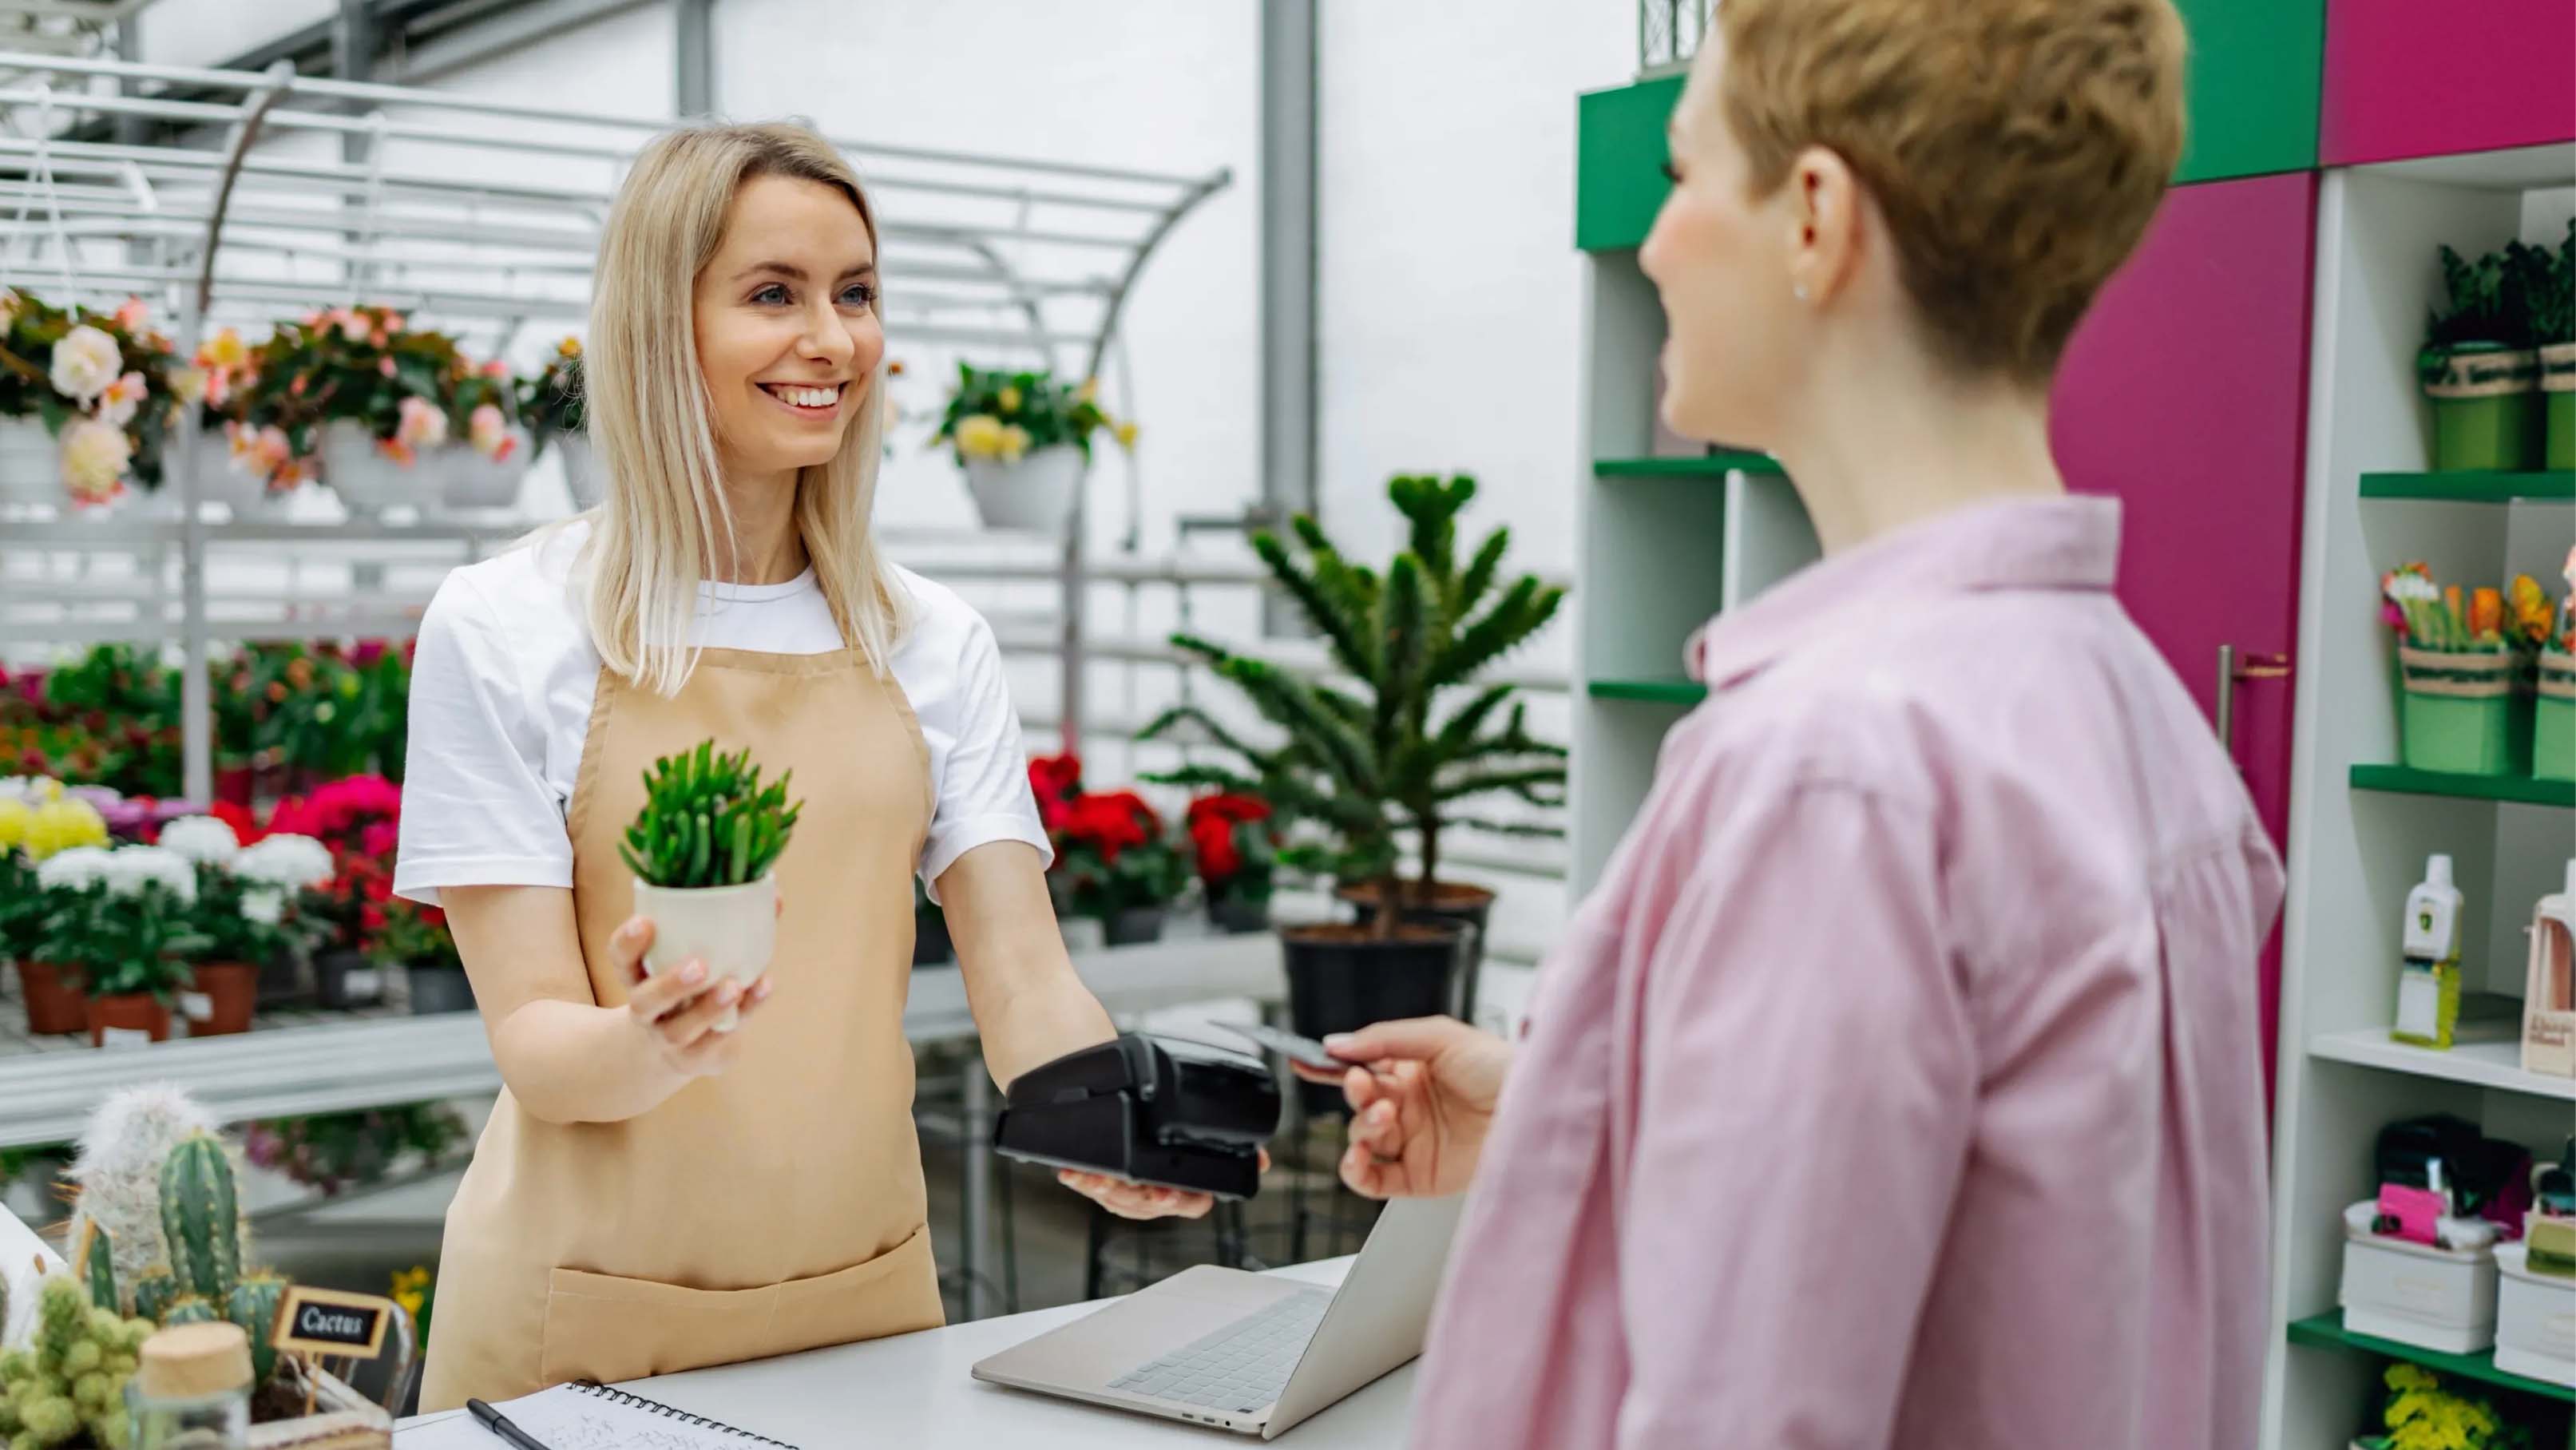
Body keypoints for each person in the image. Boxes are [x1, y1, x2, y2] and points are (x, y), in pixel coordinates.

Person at [1302, 3, 2280, 1447]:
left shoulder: (1838, 770)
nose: (1652, 244)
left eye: (1684, 175)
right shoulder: (2141, 720)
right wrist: (1567, 1113)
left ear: (1813, 216)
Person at [393, 122, 1211, 1412]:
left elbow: (1021, 972)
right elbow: (539, 1046)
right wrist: (655, 1043)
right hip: (584, 1317)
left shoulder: (930, 639)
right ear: (663, 325)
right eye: (773, 294)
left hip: (861, 1301)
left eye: (857, 294)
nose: (831, 341)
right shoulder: (507, 623)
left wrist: (1093, 1120)